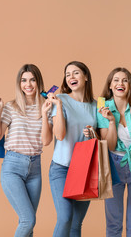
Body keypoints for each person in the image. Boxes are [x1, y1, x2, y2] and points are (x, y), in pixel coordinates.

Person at [0, 64, 53, 237]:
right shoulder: (12, 107)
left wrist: (45, 113)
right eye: (24, 80)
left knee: (27, 224)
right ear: (19, 83)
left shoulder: (46, 107)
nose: (28, 84)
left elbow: (46, 141)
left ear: (38, 82)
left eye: (32, 80)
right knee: (28, 220)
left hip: (35, 168)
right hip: (13, 166)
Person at [97, 67, 131, 237]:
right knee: (113, 225)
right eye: (116, 80)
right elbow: (110, 146)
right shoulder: (103, 108)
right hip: (114, 166)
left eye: (125, 80)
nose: (120, 83)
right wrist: (111, 121)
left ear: (130, 85)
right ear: (110, 85)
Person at [45, 61, 97, 237]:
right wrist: (58, 106)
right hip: (62, 168)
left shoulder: (95, 105)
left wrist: (93, 133)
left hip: (85, 170)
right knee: (65, 218)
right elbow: (59, 135)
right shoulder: (61, 100)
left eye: (75, 73)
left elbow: (101, 139)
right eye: (67, 75)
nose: (71, 77)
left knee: (76, 224)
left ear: (86, 76)